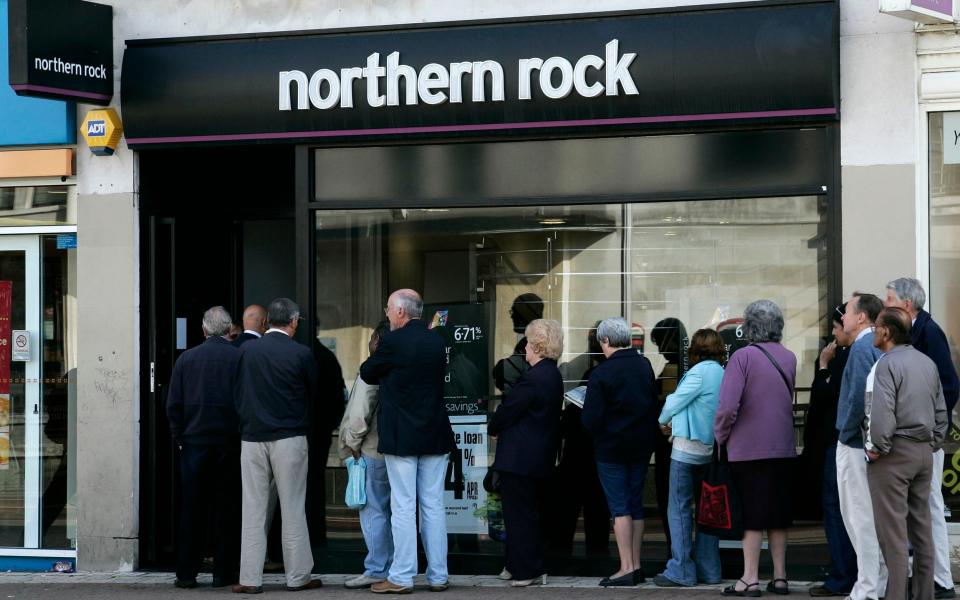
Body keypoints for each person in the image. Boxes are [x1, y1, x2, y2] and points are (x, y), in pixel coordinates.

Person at [360, 289, 456, 594]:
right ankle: (438, 575)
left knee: (403, 506)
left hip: (402, 435)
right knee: (433, 505)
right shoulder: (436, 340)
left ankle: (401, 576)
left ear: (401, 312)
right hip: (435, 432)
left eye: (388, 309)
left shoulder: (392, 341)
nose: (387, 314)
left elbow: (366, 371)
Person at [233, 298, 321, 594]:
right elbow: (313, 396)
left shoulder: (246, 350)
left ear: (268, 320)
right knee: (293, 508)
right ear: (293, 322)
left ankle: (249, 578)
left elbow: (236, 392)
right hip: (289, 437)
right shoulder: (301, 353)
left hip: (252, 438)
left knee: (253, 509)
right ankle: (297, 576)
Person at [863, 307, 948, 600]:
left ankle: (896, 596)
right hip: (923, 451)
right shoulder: (927, 363)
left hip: (894, 454)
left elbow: (881, 413)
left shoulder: (887, 365)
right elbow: (941, 411)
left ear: (886, 332)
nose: (874, 331)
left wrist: (876, 449)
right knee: (923, 531)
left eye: (876, 327)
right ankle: (925, 595)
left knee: (893, 535)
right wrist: (932, 443)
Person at [714, 300, 797, 597]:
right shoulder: (788, 357)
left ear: (749, 326)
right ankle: (780, 577)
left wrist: (720, 436)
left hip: (748, 449)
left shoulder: (742, 357)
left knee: (751, 516)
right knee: (777, 516)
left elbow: (727, 408)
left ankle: (749, 578)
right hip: (784, 448)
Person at [885, 277, 960, 600]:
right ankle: (930, 578)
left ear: (905, 304)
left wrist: (930, 432)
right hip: (920, 440)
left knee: (928, 507)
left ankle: (940, 580)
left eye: (889, 299)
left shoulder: (928, 333)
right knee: (921, 509)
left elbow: (949, 385)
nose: (884, 305)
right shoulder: (918, 331)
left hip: (923, 441)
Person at [166, 306, 241, 589]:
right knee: (227, 509)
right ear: (229, 329)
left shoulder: (186, 359)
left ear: (204, 330)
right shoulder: (239, 357)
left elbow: (173, 404)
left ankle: (187, 573)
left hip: (195, 445)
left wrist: (180, 438)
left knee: (192, 511)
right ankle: (224, 574)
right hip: (230, 444)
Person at [582, 317, 659, 588]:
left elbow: (590, 420)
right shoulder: (644, 365)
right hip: (641, 445)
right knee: (635, 505)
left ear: (604, 340)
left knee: (619, 507)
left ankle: (625, 567)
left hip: (611, 448)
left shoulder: (601, 373)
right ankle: (636, 565)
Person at [488, 318, 564, 588]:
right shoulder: (553, 375)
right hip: (538, 454)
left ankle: (528, 569)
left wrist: (494, 426)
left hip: (520, 457)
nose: (525, 349)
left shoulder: (532, 378)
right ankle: (514, 564)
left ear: (537, 346)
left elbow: (509, 411)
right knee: (524, 513)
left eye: (529, 344)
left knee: (518, 515)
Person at [654, 328, 725, 588]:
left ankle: (681, 569)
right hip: (709, 451)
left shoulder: (699, 372)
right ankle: (710, 570)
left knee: (679, 509)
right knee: (707, 512)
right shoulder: (722, 373)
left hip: (686, 451)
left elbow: (675, 400)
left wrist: (662, 421)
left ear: (695, 349)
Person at [835, 292, 887, 600]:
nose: (842, 318)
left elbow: (857, 398)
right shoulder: (877, 345)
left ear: (861, 317)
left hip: (855, 444)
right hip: (867, 443)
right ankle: (875, 582)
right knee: (867, 516)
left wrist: (846, 433)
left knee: (858, 516)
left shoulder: (862, 347)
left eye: (847, 312)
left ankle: (867, 587)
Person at [807, 304, 858, 598]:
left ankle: (842, 575)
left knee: (837, 508)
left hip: (839, 443)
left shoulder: (847, 356)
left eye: (837, 328)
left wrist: (824, 365)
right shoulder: (851, 353)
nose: (834, 335)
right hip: (838, 443)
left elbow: (826, 393)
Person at [338, 322, 394, 590]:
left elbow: (361, 410)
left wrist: (352, 443)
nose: (369, 342)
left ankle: (376, 568)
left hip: (370, 448)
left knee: (373, 512)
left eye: (372, 337)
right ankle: (392, 565)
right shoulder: (397, 367)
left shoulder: (372, 369)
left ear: (378, 341)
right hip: (393, 450)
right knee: (393, 511)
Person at [650, 317, 689, 556]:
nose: (659, 350)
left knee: (669, 499)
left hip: (668, 443)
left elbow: (665, 406)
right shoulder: (684, 366)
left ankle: (674, 550)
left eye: (659, 343)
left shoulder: (672, 370)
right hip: (680, 442)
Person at [307, 337, 346, 546]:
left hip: (311, 430)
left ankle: (310, 539)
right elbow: (338, 398)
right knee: (315, 483)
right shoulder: (327, 357)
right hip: (321, 431)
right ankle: (317, 535)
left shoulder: (311, 355)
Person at [493, 293, 544, 394]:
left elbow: (504, 374)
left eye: (514, 311)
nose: (511, 316)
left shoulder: (532, 343)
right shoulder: (533, 340)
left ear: (524, 314)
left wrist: (500, 368)